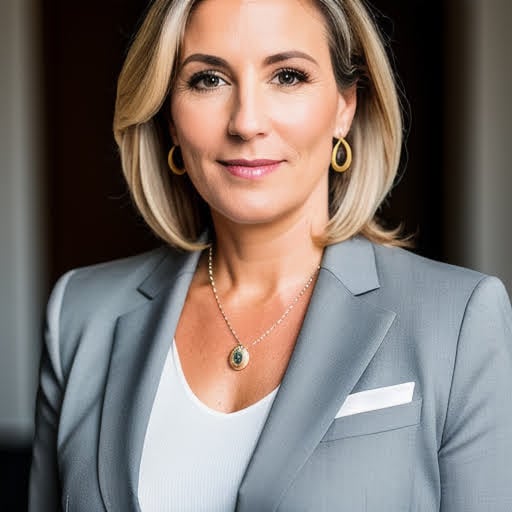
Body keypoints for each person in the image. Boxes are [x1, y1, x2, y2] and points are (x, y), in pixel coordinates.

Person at [29, 0, 512, 510]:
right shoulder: (79, 315)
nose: (247, 122)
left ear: (345, 106)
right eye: (208, 80)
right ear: (169, 116)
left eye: (287, 75)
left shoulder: (460, 320)